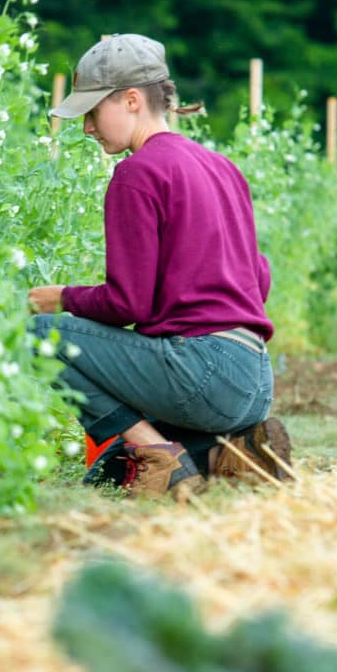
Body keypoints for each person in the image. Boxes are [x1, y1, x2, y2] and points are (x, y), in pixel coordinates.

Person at [27, 33, 292, 501]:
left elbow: (127, 304)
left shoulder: (138, 173)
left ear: (131, 100)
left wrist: (62, 298)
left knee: (38, 335)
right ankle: (236, 450)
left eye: (92, 112)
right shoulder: (221, 166)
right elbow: (260, 277)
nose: (87, 128)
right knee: (108, 473)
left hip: (204, 374)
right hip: (255, 379)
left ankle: (158, 452)